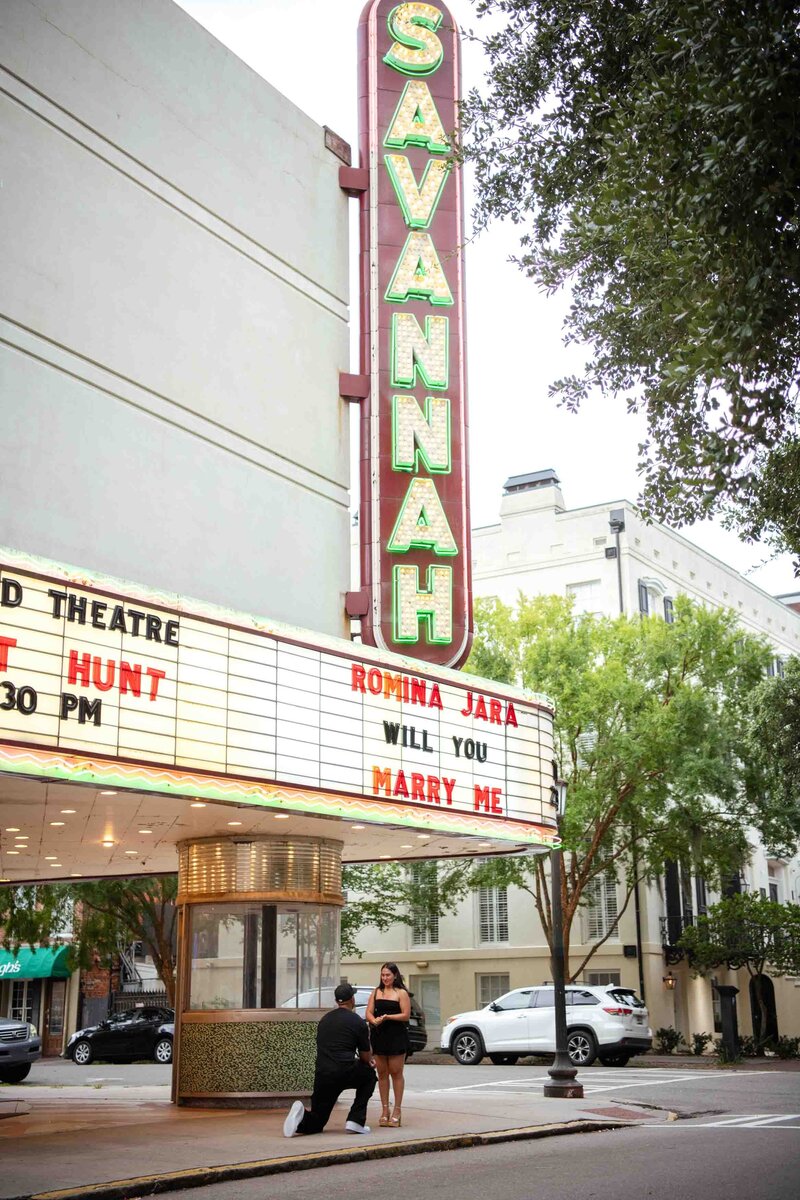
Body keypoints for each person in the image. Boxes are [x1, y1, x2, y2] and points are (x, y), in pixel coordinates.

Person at [283, 982, 377, 1137]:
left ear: (337, 1001)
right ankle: (356, 1121)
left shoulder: (324, 1020)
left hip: (323, 1074)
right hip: (345, 1071)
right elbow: (366, 1057)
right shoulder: (357, 1022)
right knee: (369, 1076)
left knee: (318, 1121)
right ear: (352, 999)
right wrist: (370, 1060)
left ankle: (301, 1118)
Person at [366, 961, 411, 1127]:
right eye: (383, 975)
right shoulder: (376, 992)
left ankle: (397, 1110)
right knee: (382, 1073)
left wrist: (388, 1017)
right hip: (379, 1036)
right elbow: (369, 1012)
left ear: (395, 976)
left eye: (388, 975)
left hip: (396, 1036)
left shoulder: (401, 993)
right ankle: (385, 1110)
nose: (385, 978)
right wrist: (373, 1020)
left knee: (396, 1072)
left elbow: (406, 1015)